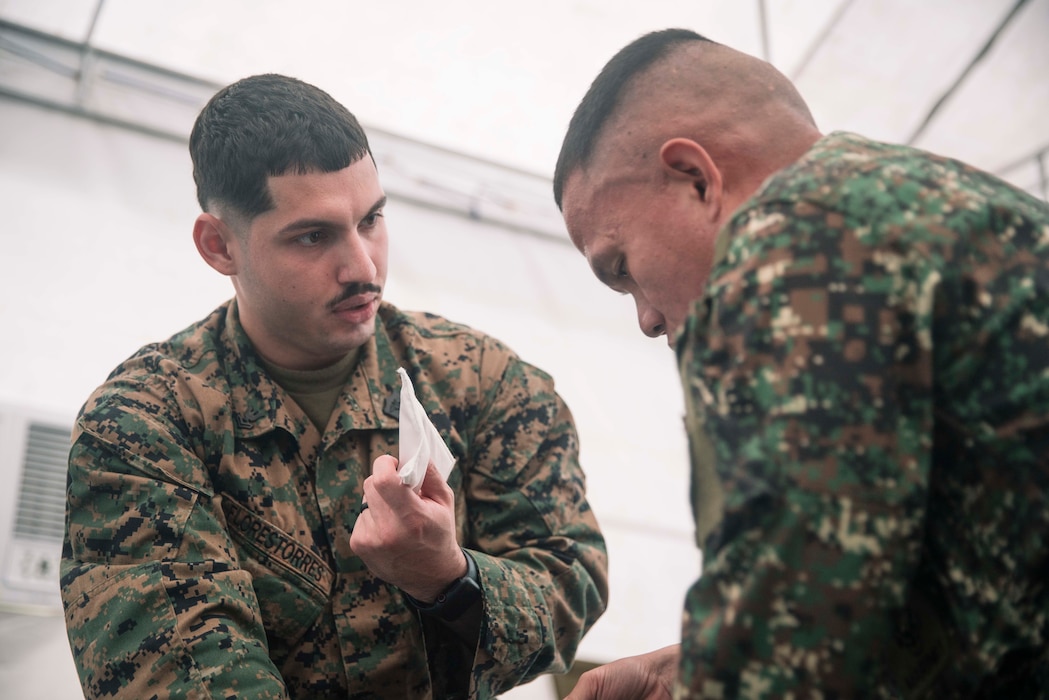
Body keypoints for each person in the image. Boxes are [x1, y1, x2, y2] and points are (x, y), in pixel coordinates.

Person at [60, 73, 608, 699]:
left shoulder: (483, 384)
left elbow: (571, 581)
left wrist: (449, 579)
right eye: (313, 237)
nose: (363, 267)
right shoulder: (143, 424)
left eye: (371, 219)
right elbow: (177, 675)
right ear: (219, 245)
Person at [554, 28, 1049, 699]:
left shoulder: (788, 258)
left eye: (622, 268)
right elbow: (931, 585)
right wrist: (689, 669)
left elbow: (791, 657)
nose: (644, 318)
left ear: (696, 179)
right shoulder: (970, 213)